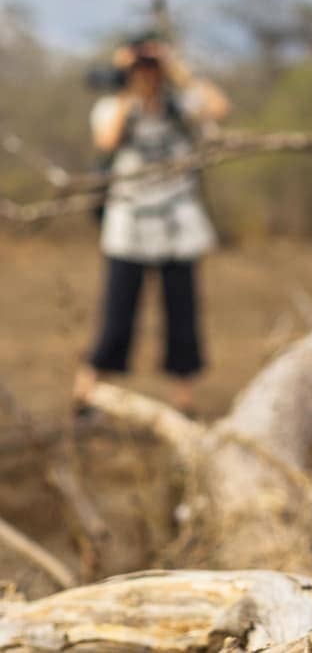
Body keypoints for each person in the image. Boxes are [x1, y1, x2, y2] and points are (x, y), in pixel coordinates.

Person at [73, 33, 229, 416]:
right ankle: (85, 394)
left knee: (182, 314)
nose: (147, 74)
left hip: (178, 225)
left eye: (151, 67)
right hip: (129, 225)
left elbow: (219, 108)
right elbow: (107, 141)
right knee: (117, 314)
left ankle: (184, 402)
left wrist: (177, 69)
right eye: (140, 66)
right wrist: (127, 81)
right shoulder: (112, 107)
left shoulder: (178, 106)